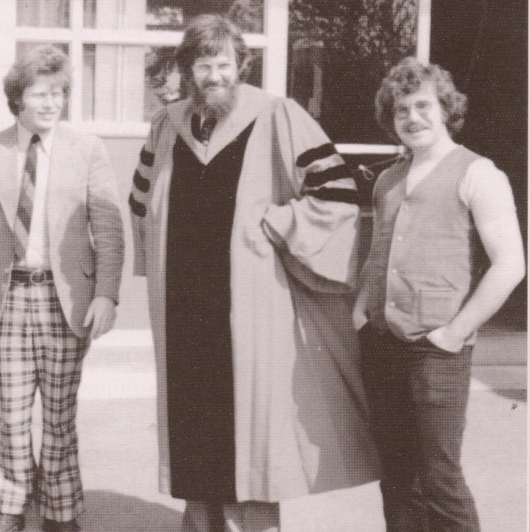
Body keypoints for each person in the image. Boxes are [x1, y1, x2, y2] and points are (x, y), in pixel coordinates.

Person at [129, 14, 379, 532]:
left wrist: (276, 222)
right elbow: (141, 200)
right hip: (182, 308)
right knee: (193, 420)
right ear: (187, 70)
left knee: (251, 429)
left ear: (241, 65)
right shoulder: (166, 124)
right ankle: (201, 523)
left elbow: (337, 195)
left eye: (223, 64)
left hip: (250, 306)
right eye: (203, 65)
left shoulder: (276, 115)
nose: (214, 75)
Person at [0, 45, 124, 532]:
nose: (50, 103)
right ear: (17, 98)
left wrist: (106, 294)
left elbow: (109, 229)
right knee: (11, 413)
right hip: (7, 298)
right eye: (40, 94)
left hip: (66, 301)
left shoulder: (87, 149)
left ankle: (60, 510)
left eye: (58, 93)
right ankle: (11, 502)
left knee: (60, 414)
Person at [353, 57, 525, 532]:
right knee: (397, 477)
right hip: (381, 343)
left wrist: (454, 333)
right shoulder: (388, 179)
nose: (412, 118)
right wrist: (360, 312)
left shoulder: (479, 173)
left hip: (437, 350)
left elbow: (510, 265)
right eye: (401, 110)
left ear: (446, 108)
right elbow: (377, 252)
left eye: (423, 106)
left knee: (440, 479)